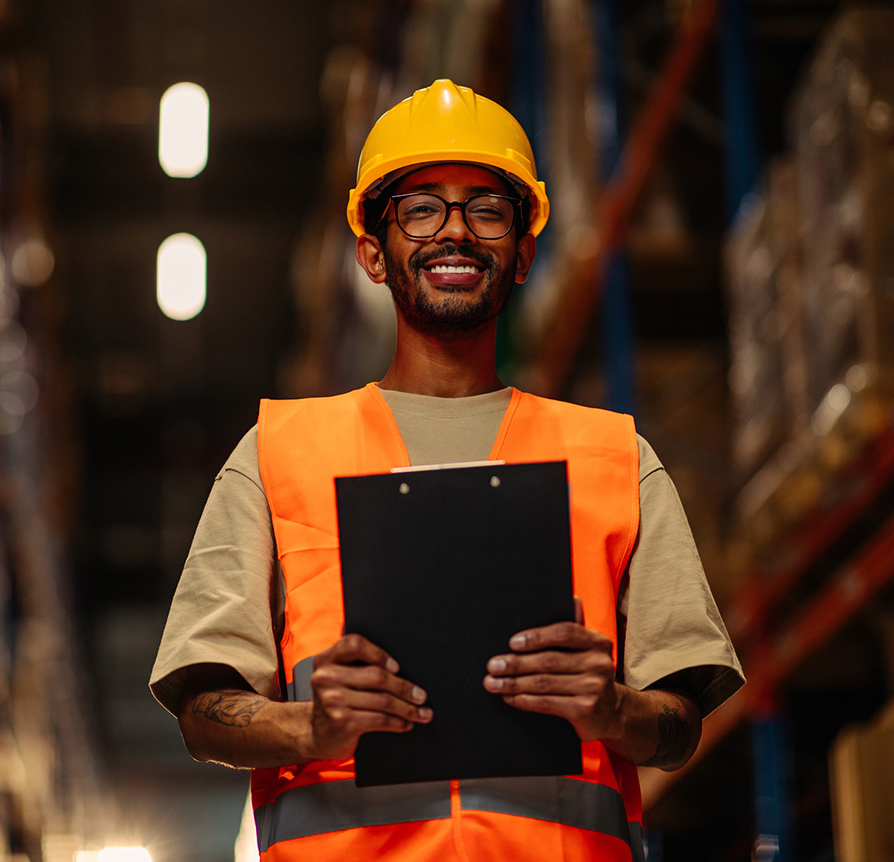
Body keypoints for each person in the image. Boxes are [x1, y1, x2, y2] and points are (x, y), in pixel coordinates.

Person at [150, 79, 744, 861]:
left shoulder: (613, 458)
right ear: (373, 252)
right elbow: (202, 713)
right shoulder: (277, 452)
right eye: (422, 208)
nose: (455, 233)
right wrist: (313, 726)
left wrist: (612, 710)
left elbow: (679, 726)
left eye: (487, 209)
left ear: (524, 251)